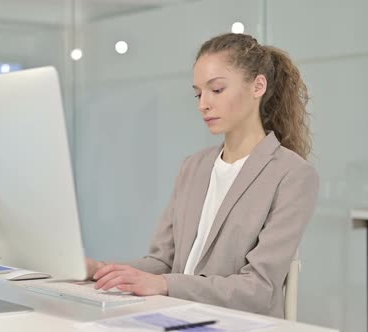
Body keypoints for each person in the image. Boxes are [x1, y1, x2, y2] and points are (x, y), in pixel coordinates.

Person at [85, 32, 320, 318]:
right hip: (177, 316)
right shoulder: (193, 167)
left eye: (217, 90)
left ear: (258, 86)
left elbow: (258, 289)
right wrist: (102, 270)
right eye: (198, 93)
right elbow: (162, 262)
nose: (203, 104)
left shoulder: (292, 175)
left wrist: (164, 285)